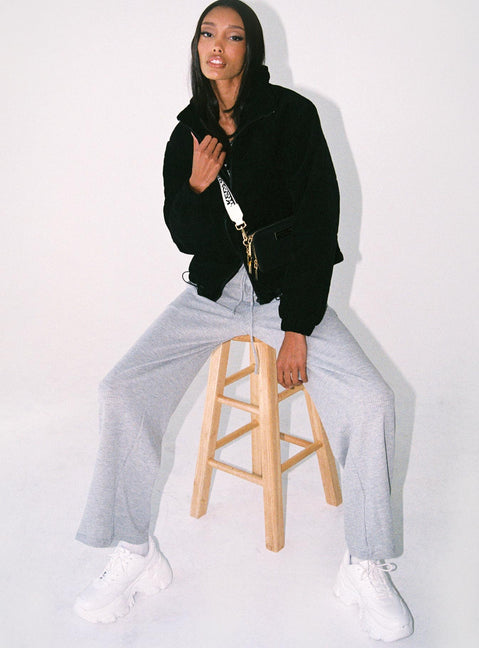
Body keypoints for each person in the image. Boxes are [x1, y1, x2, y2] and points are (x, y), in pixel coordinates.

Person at [74, 0, 413, 641]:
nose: (217, 45)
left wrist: (297, 327)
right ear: (196, 46)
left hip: (286, 294)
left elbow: (318, 225)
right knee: (121, 390)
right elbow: (186, 237)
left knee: (372, 401)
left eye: (232, 36)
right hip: (213, 294)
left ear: (251, 49)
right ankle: (135, 552)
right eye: (207, 33)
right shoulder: (186, 132)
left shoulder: (292, 115)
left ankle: (365, 565)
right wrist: (196, 188)